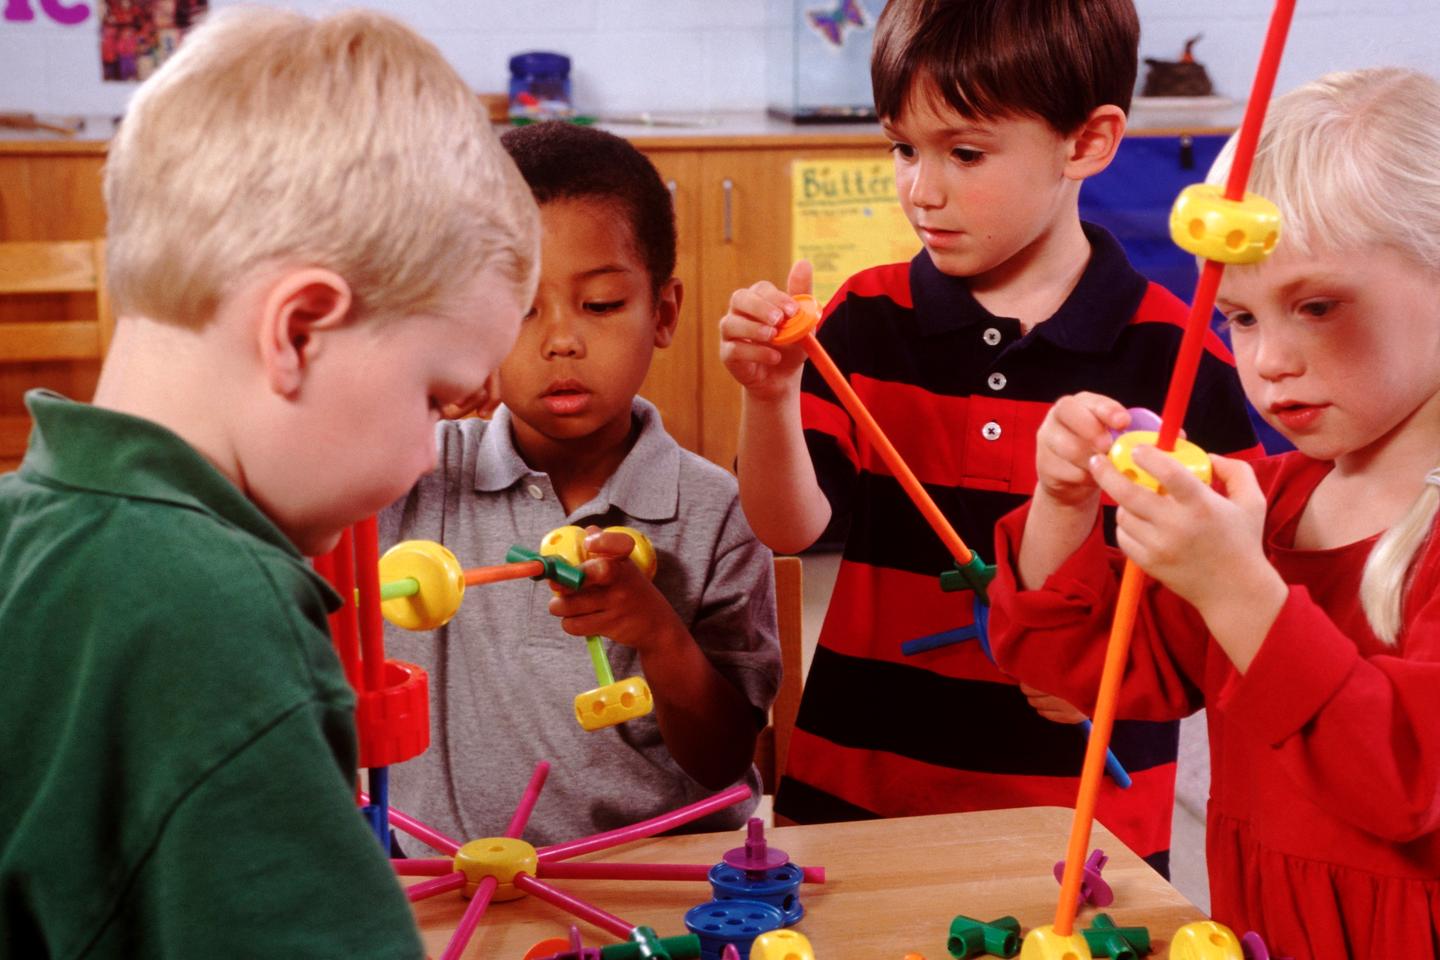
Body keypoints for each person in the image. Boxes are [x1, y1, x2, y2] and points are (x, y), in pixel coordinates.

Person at [0, 8, 538, 958]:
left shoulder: (21, 529)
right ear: (297, 332)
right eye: (436, 397)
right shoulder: (211, 613)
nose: (428, 454)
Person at [718, 0, 1259, 872]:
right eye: (904, 147)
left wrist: (1115, 677)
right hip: (863, 787)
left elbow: (1228, 601)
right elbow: (789, 530)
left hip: (1079, 822)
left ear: (1086, 143)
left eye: (964, 153)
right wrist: (771, 396)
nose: (921, 189)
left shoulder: (1179, 354)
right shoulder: (863, 316)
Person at [988, 68, 1440, 960]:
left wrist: (1236, 588)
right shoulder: (1261, 503)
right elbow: (1084, 671)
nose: (1268, 362)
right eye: (1238, 316)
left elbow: (1403, 780)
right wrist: (1064, 504)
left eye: (1315, 306)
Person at [380, 122, 780, 849]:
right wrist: (416, 387)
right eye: (521, 307)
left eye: (599, 306)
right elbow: (275, 486)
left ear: (662, 314)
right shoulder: (414, 470)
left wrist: (658, 633)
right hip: (452, 882)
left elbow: (726, 758)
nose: (561, 339)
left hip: (659, 886)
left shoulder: (715, 508)